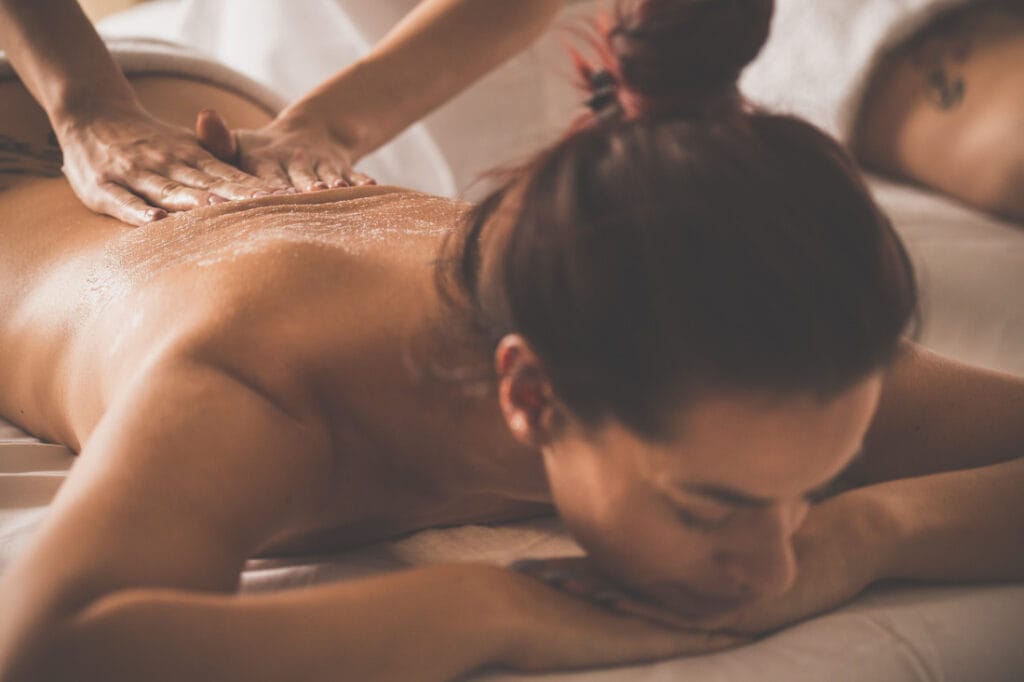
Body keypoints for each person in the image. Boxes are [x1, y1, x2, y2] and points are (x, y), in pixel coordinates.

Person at [0, 0, 1022, 680]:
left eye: (806, 489)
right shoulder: (261, 390)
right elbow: (55, 641)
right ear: (529, 393)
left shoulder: (726, 349)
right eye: (710, 506)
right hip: (86, 126)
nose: (766, 567)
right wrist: (484, 612)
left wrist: (866, 535)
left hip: (218, 115)